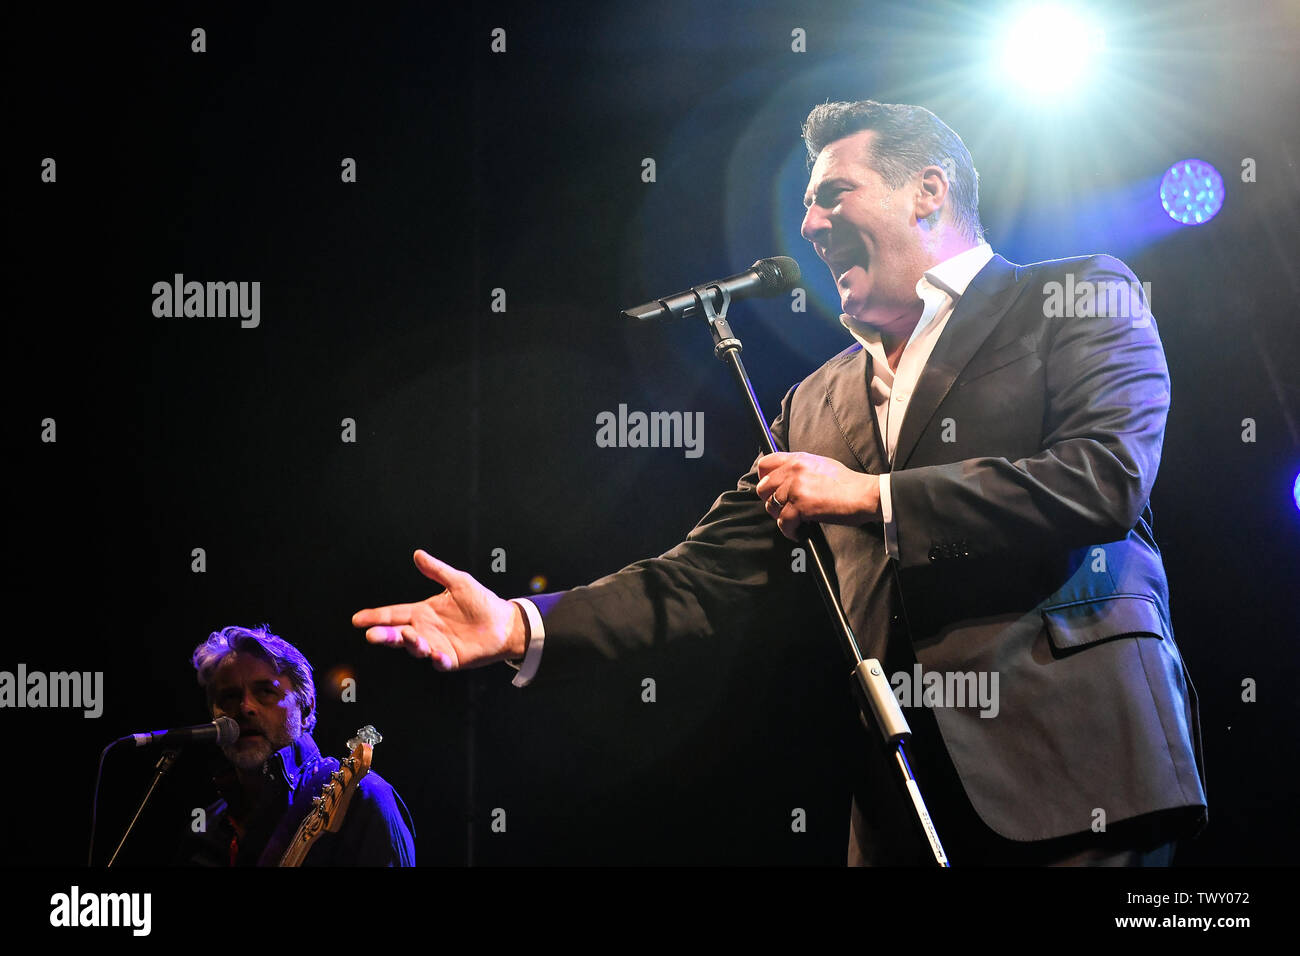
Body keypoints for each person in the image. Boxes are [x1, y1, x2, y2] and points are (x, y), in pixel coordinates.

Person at [353, 100, 1207, 866]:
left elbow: (1106, 478)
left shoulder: (1073, 296)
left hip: (1079, 764)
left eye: (833, 193)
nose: (808, 223)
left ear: (928, 192)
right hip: (903, 798)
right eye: (806, 202)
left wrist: (870, 497)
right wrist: (519, 624)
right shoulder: (816, 401)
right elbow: (704, 575)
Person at [186, 624, 416, 866]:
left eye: (265, 691)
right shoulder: (209, 826)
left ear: (306, 709)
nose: (245, 708)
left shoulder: (363, 798)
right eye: (229, 697)